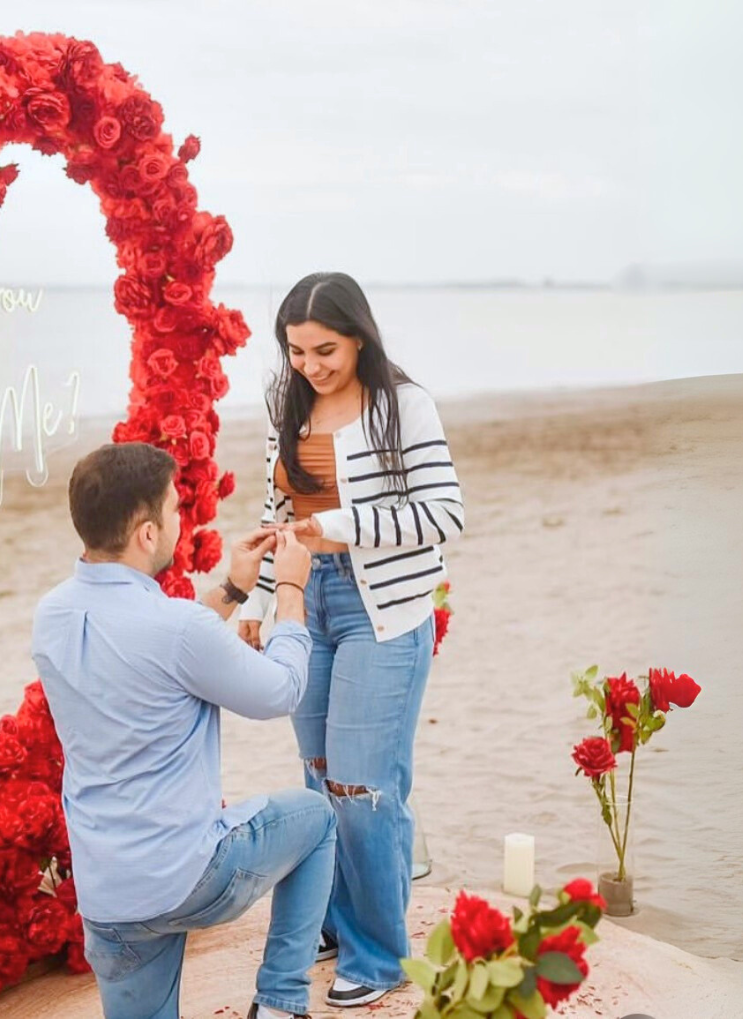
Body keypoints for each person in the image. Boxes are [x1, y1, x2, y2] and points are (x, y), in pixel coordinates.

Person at [31, 442, 337, 1019]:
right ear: (147, 534)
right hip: (190, 877)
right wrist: (290, 591)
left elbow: (150, 649)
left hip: (109, 895)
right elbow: (281, 692)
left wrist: (233, 591)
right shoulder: (176, 627)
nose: (180, 521)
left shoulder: (52, 615)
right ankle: (279, 1004)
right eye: (174, 510)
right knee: (316, 819)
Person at [238, 272, 465, 1008]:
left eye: (324, 349)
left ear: (359, 335)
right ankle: (339, 923)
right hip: (311, 604)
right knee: (319, 775)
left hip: (385, 611)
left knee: (364, 786)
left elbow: (443, 514)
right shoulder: (288, 402)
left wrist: (341, 527)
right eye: (296, 350)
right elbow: (278, 507)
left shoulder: (405, 405)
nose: (310, 365)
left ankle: (377, 951)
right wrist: (267, 596)